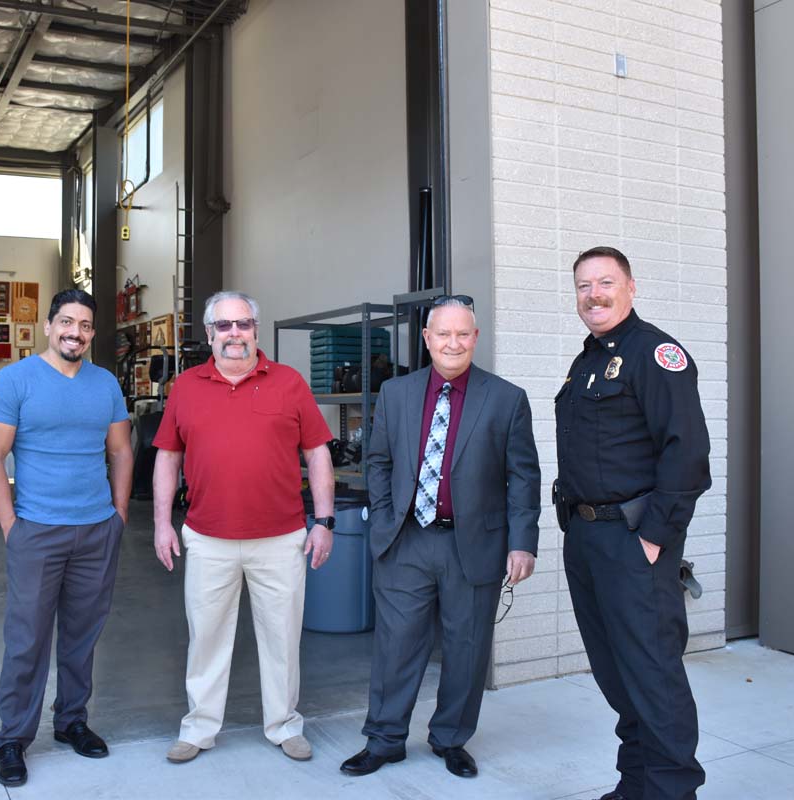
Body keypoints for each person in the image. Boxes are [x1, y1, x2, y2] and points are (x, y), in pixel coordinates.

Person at [340, 295, 541, 779]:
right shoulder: (396, 393)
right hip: (406, 541)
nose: (453, 342)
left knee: (467, 646)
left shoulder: (506, 398)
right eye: (442, 334)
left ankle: (451, 738)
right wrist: (385, 519)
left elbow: (524, 477)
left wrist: (522, 542)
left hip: (474, 544)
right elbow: (380, 461)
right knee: (396, 646)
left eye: (462, 334)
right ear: (427, 339)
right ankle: (385, 740)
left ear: (475, 338)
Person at [151, 290, 335, 765]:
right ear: (210, 334)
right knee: (207, 638)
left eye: (244, 324)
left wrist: (324, 521)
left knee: (282, 639)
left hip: (281, 538)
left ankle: (284, 725)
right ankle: (199, 728)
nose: (236, 334)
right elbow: (168, 457)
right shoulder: (186, 387)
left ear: (255, 329)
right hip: (208, 537)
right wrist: (161, 524)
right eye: (225, 325)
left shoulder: (289, 383)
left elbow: (317, 454)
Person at [556, 246, 711, 800]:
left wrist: (653, 540)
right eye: (582, 286)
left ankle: (672, 791)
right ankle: (637, 785)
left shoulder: (656, 354)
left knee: (652, 675)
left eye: (605, 282)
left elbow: (687, 457)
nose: (593, 295)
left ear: (630, 287)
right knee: (618, 677)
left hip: (632, 541)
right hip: (588, 538)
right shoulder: (589, 360)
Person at [0, 288, 133, 788]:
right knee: (27, 639)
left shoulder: (105, 383)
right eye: (67, 322)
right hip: (37, 530)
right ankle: (12, 740)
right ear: (48, 326)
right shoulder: (13, 380)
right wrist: (10, 526)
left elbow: (122, 452)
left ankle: (71, 722)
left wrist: (119, 514)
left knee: (82, 635)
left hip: (95, 529)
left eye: (85, 325)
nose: (76, 332)